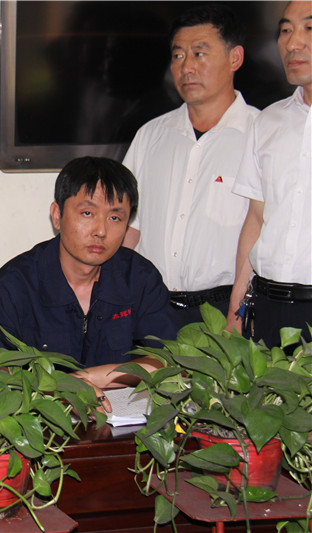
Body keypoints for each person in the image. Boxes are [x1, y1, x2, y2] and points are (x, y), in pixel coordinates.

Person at [0, 157, 177, 412]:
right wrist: (55, 388)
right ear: (57, 216)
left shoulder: (139, 278)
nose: (101, 231)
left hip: (121, 424)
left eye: (115, 218)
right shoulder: (12, 287)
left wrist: (84, 379)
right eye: (87, 213)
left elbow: (165, 361)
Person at [122, 4, 260, 327]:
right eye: (178, 55)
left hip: (226, 309)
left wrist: (238, 313)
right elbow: (129, 227)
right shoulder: (151, 135)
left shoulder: (261, 135)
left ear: (235, 58)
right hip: (151, 307)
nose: (186, 67)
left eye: (199, 54)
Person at [226, 1, 312, 347]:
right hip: (266, 308)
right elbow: (256, 218)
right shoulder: (267, 122)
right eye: (285, 30)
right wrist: (236, 309)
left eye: (309, 28)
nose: (293, 43)